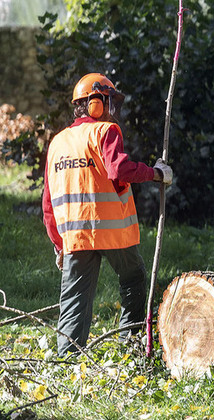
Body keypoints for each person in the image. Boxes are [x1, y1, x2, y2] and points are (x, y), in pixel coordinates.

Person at [41, 73, 173, 356]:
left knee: (74, 299)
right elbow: (119, 171)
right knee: (134, 279)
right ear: (94, 104)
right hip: (113, 233)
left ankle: (67, 360)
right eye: (109, 102)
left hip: (75, 238)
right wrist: (156, 173)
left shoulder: (57, 143)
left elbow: (48, 205)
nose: (113, 110)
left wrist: (59, 244)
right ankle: (133, 345)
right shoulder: (105, 132)